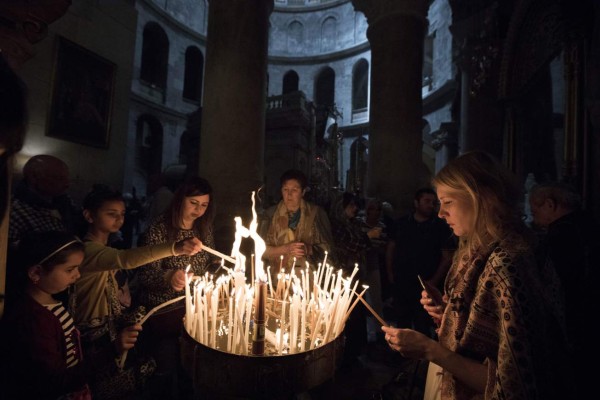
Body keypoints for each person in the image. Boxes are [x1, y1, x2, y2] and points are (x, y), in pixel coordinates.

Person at [382, 151, 571, 400]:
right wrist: (449, 311)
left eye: (448, 202)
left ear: (481, 199)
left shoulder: (508, 262)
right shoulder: (478, 249)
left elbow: (512, 380)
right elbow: (485, 326)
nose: (440, 214)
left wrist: (430, 349)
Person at [73, 187, 203, 399]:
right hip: (94, 331)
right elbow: (126, 259)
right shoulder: (86, 250)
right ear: (89, 215)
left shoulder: (112, 243)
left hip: (113, 326)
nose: (119, 219)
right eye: (111, 213)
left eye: (122, 214)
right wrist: (175, 248)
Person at [135, 175, 217, 399]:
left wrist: (213, 273)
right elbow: (144, 272)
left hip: (193, 310)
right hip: (164, 312)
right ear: (180, 199)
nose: (198, 210)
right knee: (165, 367)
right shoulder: (159, 229)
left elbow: (209, 262)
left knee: (190, 370)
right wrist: (169, 276)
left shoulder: (203, 229)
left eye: (204, 205)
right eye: (194, 203)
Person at [0, 231, 91, 400]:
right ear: (36, 272)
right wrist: (110, 353)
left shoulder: (53, 302)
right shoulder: (34, 320)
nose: (78, 275)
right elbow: (53, 381)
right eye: (70, 269)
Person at [529, 181, 598, 398]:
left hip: (574, 325)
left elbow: (553, 288)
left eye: (535, 210)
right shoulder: (592, 225)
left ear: (550, 204)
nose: (533, 217)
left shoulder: (557, 236)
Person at [385, 187, 454, 336]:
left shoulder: (440, 226)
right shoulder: (401, 223)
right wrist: (390, 273)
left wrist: (433, 282)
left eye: (433, 202)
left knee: (423, 323)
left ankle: (422, 357)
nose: (431, 205)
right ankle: (403, 356)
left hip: (426, 283)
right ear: (416, 203)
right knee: (402, 321)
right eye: (427, 201)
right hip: (402, 281)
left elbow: (447, 257)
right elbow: (391, 248)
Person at [330, 192, 381, 369]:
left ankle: (356, 350)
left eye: (355, 205)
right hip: (344, 275)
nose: (355, 208)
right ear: (341, 207)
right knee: (349, 315)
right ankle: (346, 354)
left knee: (358, 313)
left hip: (356, 275)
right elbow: (350, 246)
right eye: (351, 205)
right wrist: (368, 237)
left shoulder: (352, 224)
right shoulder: (336, 226)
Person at [260, 169, 333, 270]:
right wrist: (285, 249)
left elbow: (329, 249)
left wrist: (308, 249)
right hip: (277, 277)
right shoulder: (270, 215)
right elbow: (259, 249)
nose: (289, 194)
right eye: (285, 189)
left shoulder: (316, 214)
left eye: (294, 190)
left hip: (307, 277)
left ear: (303, 192)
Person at [8, 154, 80, 247]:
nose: (67, 184)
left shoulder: (64, 201)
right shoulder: (14, 212)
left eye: (67, 178)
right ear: (33, 177)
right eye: (58, 178)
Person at [358, 198, 388, 342]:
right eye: (371, 209)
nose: (374, 212)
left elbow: (383, 247)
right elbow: (357, 243)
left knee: (376, 299)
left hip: (373, 264)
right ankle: (362, 334)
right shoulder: (359, 224)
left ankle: (379, 333)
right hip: (359, 265)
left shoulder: (382, 227)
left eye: (377, 209)